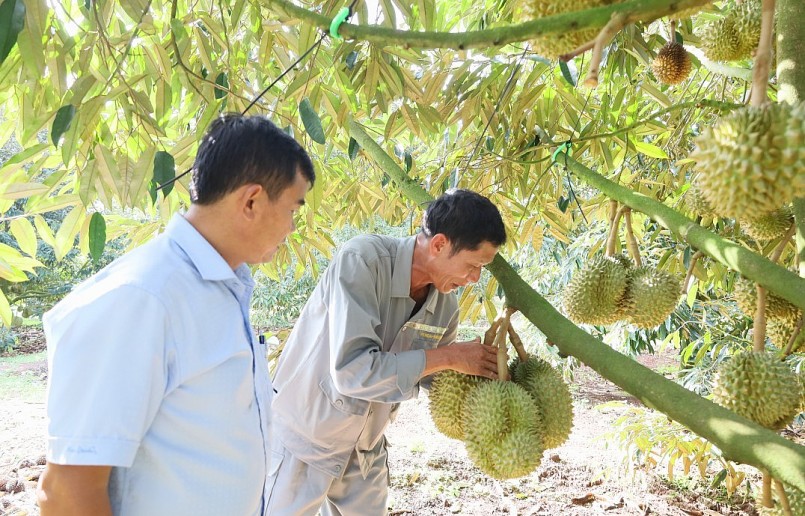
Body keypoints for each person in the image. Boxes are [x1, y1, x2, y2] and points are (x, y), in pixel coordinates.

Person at [36, 114, 314, 516]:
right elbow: (65, 490)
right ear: (251, 201)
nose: (292, 227)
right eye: (294, 209)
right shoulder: (142, 298)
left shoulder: (221, 288)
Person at [267, 188, 507, 515]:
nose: (475, 278)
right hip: (306, 439)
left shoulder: (445, 305)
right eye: (473, 265)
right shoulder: (363, 262)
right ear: (439, 244)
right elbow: (353, 372)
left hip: (366, 450)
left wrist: (497, 387)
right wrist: (451, 356)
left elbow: (433, 379)